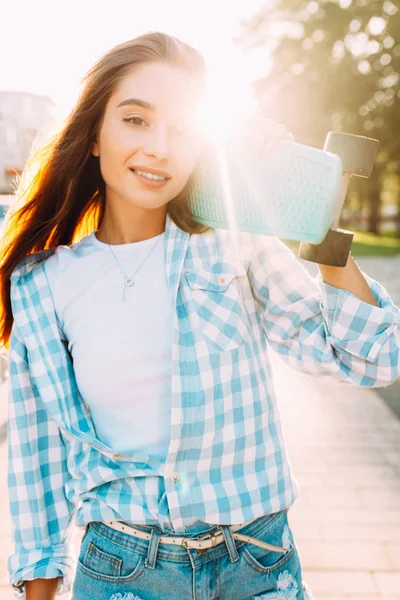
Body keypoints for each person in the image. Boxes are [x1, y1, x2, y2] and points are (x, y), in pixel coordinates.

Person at [0, 31, 399, 600]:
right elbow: (37, 458)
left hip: (259, 567)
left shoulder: (231, 244)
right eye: (136, 120)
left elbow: (372, 359)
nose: (160, 147)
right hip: (122, 573)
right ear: (93, 133)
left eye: (183, 128)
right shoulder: (42, 285)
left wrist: (315, 214)